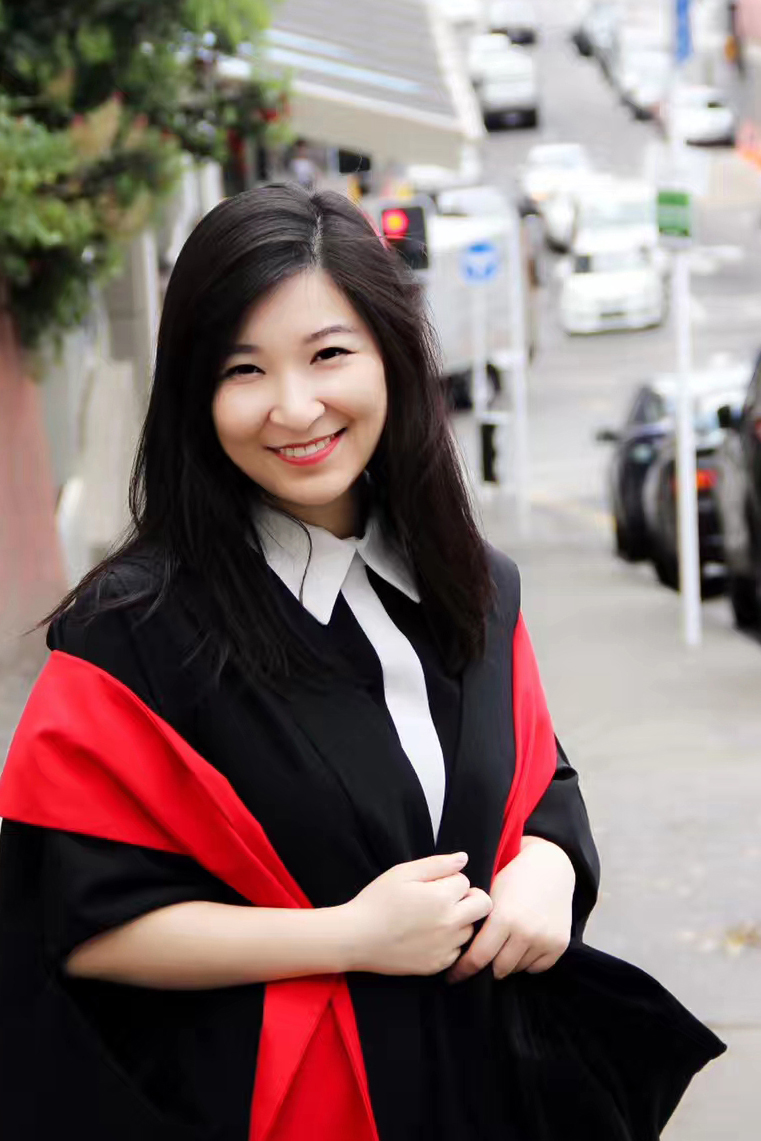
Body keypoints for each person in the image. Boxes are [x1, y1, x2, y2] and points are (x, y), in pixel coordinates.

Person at [0, 185, 723, 1141]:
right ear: (194, 395)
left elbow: (535, 777)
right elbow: (84, 923)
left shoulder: (471, 584)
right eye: (243, 369)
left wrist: (549, 868)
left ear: (391, 355)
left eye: (328, 354)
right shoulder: (134, 632)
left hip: (488, 1090)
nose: (295, 406)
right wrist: (347, 935)